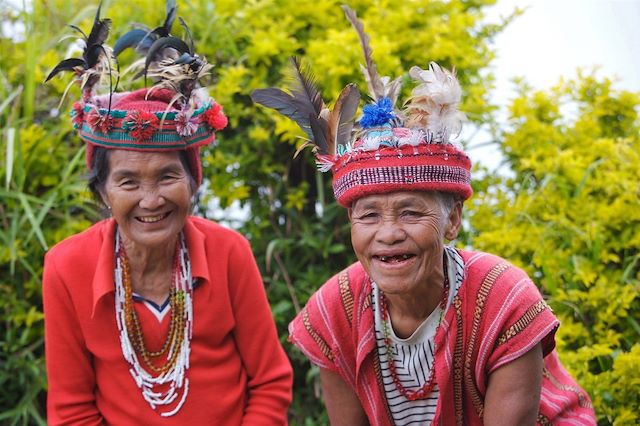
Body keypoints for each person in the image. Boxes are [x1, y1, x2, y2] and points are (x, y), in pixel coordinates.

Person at [253, 6, 596, 425]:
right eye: (369, 216)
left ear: (452, 221)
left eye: (411, 212)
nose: (389, 233)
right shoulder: (334, 312)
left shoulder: (504, 300)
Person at [43, 4, 292, 424]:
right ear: (102, 190)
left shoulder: (229, 251)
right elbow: (71, 412)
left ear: (193, 182)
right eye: (127, 182)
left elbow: (269, 384)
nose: (151, 199)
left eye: (167, 176)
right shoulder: (67, 268)